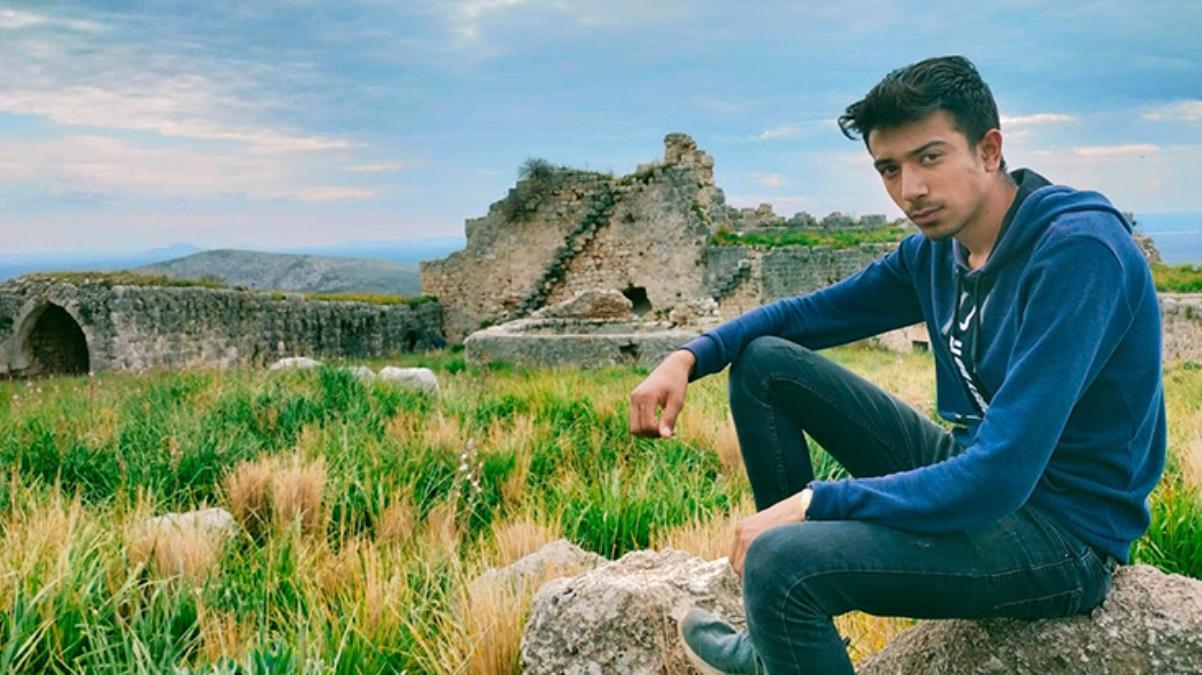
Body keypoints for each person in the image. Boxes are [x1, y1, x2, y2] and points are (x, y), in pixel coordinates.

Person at [628, 55, 1166, 674]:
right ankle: (781, 646)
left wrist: (815, 503)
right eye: (889, 168)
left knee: (781, 563)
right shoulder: (937, 253)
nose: (910, 189)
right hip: (973, 472)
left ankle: (782, 612)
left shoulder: (1077, 253)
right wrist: (689, 355)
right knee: (765, 364)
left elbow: (1000, 477)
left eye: (929, 158)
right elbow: (804, 316)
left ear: (989, 150)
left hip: (1064, 534)